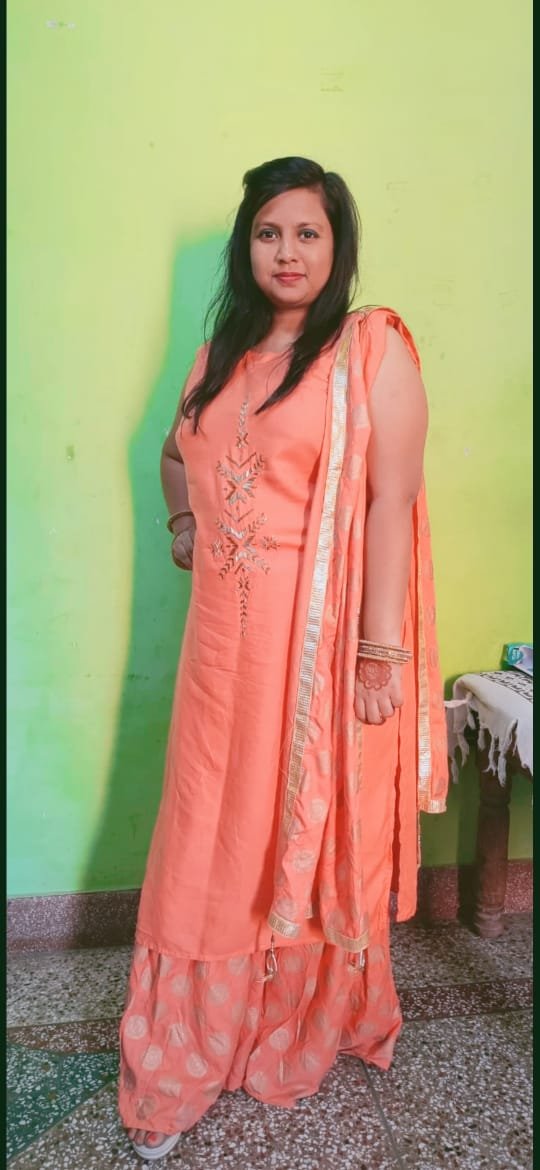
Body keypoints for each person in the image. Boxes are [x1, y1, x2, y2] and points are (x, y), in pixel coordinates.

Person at [118, 156, 449, 1161]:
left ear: (337, 247)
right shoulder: (217, 357)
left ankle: (287, 1026)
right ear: (246, 246)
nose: (289, 252)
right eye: (270, 233)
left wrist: (378, 653)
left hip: (317, 654)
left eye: (309, 232)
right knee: (205, 831)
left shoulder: (366, 349)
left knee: (289, 835)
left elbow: (391, 502)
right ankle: (181, 1052)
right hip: (218, 653)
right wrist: (184, 522)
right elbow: (174, 453)